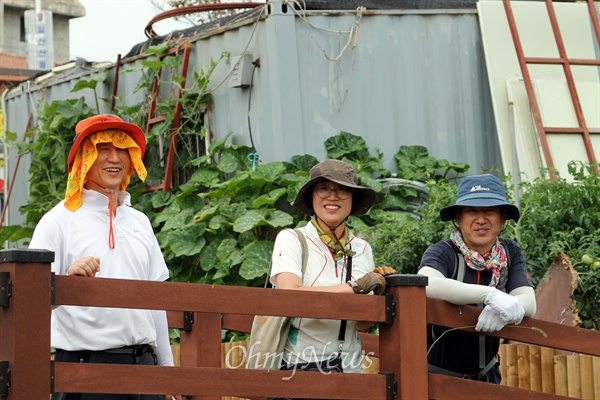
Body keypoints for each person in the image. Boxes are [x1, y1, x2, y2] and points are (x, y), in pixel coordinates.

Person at [29, 114, 180, 400]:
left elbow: (156, 303)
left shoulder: (139, 221)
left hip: (146, 370)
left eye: (122, 148)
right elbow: (29, 305)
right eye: (103, 148)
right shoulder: (58, 220)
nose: (115, 157)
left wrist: (167, 371)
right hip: (86, 372)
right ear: (84, 157)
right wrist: (65, 283)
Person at [269, 159, 396, 380]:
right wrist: (354, 287)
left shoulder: (362, 248)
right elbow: (290, 296)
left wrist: (380, 295)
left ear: (353, 198)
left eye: (343, 190)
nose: (333, 196)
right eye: (323, 188)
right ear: (311, 196)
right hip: (299, 367)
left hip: (350, 368)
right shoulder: (292, 239)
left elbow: (363, 325)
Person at [418, 173, 536, 383]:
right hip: (436, 380)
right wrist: (489, 295)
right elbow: (426, 283)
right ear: (458, 218)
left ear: (502, 217)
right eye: (472, 211)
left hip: (487, 379)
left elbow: (529, 302)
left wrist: (504, 311)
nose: (481, 219)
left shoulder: (510, 252)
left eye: (489, 211)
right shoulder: (443, 252)